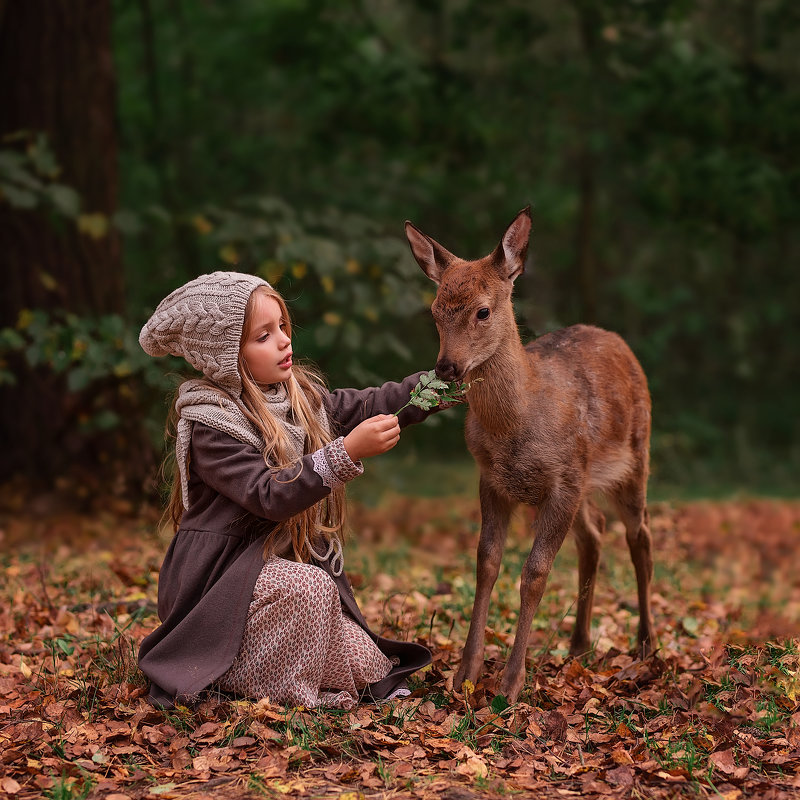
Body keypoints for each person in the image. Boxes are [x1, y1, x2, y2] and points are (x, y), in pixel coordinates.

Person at [137, 270, 437, 710]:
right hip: (222, 588)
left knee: (368, 664)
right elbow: (269, 494)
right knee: (311, 587)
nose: (282, 340)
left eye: (282, 327)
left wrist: (435, 388)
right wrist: (345, 452)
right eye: (263, 335)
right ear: (225, 355)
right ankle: (239, 679)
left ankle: (262, 669)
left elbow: (369, 403)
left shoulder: (298, 400)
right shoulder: (212, 425)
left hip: (278, 588)